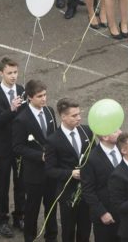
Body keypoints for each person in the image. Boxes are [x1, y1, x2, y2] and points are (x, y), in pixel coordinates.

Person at [12, 79, 58, 242]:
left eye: (45, 95)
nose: (44, 99)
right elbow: (17, 147)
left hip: (51, 171)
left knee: (51, 206)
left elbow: (54, 136)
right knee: (32, 208)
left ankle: (51, 237)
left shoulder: (50, 112)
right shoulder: (22, 119)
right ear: (30, 97)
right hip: (34, 173)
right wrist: (40, 156)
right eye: (40, 96)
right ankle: (29, 237)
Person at [43, 98, 92, 242]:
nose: (79, 118)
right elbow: (50, 170)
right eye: (74, 115)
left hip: (87, 189)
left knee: (85, 228)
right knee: (69, 229)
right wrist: (70, 173)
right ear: (63, 116)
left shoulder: (86, 131)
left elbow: (93, 155)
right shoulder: (53, 140)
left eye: (79, 114)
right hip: (67, 192)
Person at [0, 56, 25, 237]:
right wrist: (10, 110)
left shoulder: (21, 90)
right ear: (1, 73)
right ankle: (2, 219)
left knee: (21, 184)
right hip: (2, 148)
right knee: (2, 185)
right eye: (9, 73)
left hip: (19, 147)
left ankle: (19, 215)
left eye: (16, 72)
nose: (13, 76)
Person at [80, 128, 121, 242]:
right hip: (106, 216)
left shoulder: (123, 149)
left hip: (124, 213)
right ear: (105, 137)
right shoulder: (91, 159)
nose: (120, 132)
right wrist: (102, 213)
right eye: (115, 131)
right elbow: (88, 190)